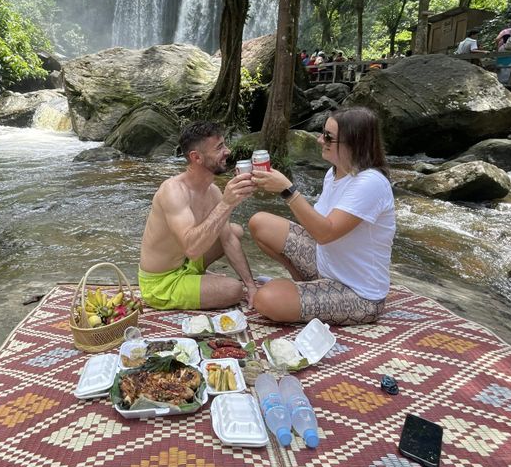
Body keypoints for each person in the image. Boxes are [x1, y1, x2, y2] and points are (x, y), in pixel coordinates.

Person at [248, 107, 395, 325]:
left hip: (358, 294)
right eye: (322, 132)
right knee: (260, 222)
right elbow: (314, 227)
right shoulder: (333, 173)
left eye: (328, 137)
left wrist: (287, 190)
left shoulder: (370, 182)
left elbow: (325, 233)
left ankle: (299, 296)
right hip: (325, 265)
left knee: (266, 299)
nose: (319, 140)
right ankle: (302, 286)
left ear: (353, 142)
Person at [138, 121, 257, 310]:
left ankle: (198, 276)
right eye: (219, 148)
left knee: (234, 231)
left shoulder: (213, 191)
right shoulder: (174, 191)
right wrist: (227, 204)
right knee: (234, 290)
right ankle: (191, 283)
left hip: (186, 264)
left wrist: (251, 285)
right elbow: (192, 249)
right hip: (162, 283)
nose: (227, 151)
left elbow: (227, 240)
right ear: (197, 157)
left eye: (224, 144)